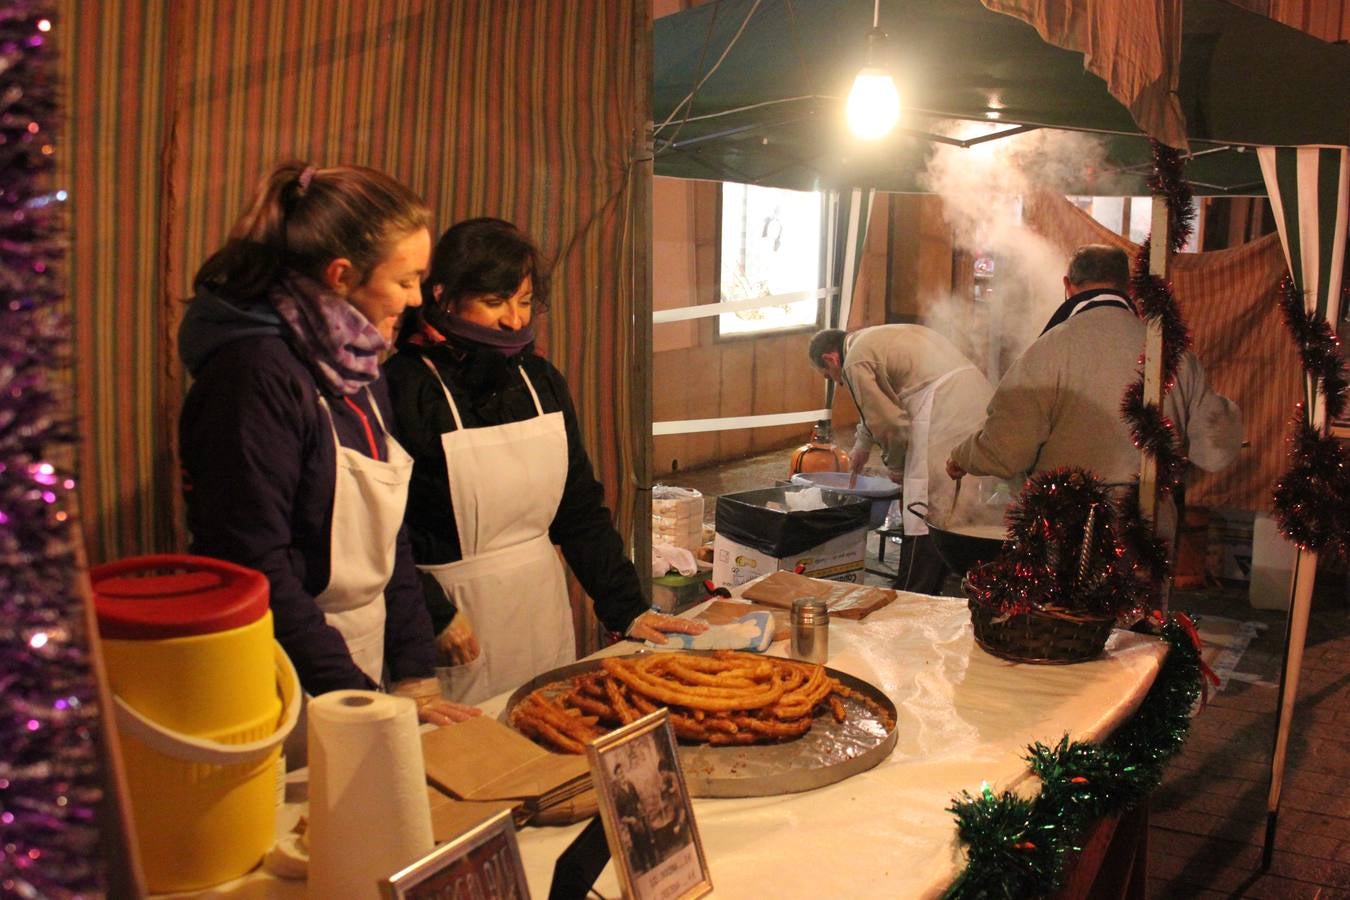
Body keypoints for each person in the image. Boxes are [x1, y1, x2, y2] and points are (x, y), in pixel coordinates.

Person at [178, 161, 477, 727]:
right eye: (405, 280)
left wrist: (414, 669)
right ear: (341, 275)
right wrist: (357, 698)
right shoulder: (255, 378)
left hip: (359, 662)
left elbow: (392, 540)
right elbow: (254, 564)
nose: (417, 301)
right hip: (285, 675)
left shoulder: (357, 365)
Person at [383, 218, 704, 704]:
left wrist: (628, 609)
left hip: (540, 607)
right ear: (444, 296)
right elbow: (381, 532)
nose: (514, 320)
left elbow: (578, 509)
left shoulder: (539, 380)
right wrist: (434, 615)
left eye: (525, 301)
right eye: (494, 303)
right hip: (455, 620)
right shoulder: (404, 387)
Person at [946, 244, 1242, 537]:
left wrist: (962, 456)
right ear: (1128, 287)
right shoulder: (1172, 353)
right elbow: (1214, 452)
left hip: (1064, 526)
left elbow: (1006, 450)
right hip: (1149, 527)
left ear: (1068, 286)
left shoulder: (1048, 350)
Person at [807, 325, 998, 594]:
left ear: (830, 359)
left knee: (924, 506)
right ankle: (956, 580)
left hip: (944, 409)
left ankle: (915, 592)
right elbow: (876, 407)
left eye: (830, 376)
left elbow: (889, 423)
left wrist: (896, 466)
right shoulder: (873, 338)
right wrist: (862, 446)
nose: (838, 383)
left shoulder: (854, 361)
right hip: (976, 400)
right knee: (957, 500)